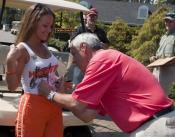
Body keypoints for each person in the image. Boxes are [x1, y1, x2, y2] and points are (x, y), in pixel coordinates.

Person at [39, 33, 175, 137]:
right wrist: (63, 95)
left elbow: (77, 104)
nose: (73, 61)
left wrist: (49, 93)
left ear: (84, 48)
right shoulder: (106, 65)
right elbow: (87, 116)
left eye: (74, 54)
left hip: (155, 126)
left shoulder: (102, 59)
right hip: (153, 125)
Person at [6, 3, 63, 137]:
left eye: (51, 26)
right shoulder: (23, 49)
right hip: (33, 107)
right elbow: (12, 86)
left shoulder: (45, 46)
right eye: (45, 25)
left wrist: (58, 82)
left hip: (54, 104)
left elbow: (50, 74)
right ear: (33, 23)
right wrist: (9, 62)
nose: (49, 30)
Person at [150, 11, 175, 95]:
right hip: (156, 70)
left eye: (170, 21)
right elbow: (158, 54)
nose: (167, 23)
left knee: (161, 97)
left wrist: (165, 62)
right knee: (152, 94)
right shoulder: (163, 37)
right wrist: (154, 58)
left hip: (168, 72)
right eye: (166, 21)